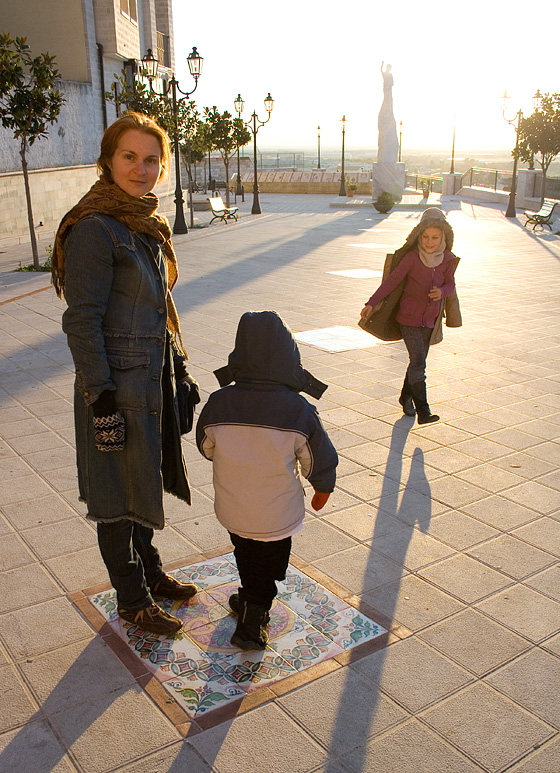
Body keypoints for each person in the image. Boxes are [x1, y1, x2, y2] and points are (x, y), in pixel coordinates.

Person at [52, 112, 201, 637]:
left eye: (151, 159)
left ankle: (152, 573)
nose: (141, 169)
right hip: (113, 387)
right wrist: (100, 397)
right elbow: (81, 319)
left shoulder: (141, 222)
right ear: (108, 161)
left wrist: (176, 366)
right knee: (116, 493)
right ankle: (132, 598)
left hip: (148, 378)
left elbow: (157, 307)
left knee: (142, 481)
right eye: (129, 157)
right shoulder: (95, 229)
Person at [196, 311, 338, 650]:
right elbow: (318, 457)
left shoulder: (218, 402)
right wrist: (323, 488)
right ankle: (253, 617)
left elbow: (206, 447)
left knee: (245, 552)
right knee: (270, 563)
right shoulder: (298, 409)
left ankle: (248, 595)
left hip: (233, 508)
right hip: (278, 513)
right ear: (290, 358)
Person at [360, 208, 459, 424]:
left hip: (430, 321)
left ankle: (406, 397)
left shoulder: (448, 259)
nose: (430, 242)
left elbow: (451, 284)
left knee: (417, 362)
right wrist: (372, 302)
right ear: (418, 235)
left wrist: (442, 291)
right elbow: (391, 282)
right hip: (408, 320)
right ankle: (423, 411)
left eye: (435, 237)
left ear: (444, 237)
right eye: (425, 237)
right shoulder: (412, 258)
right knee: (419, 363)